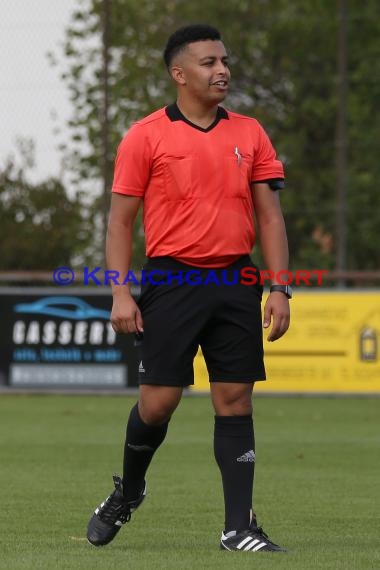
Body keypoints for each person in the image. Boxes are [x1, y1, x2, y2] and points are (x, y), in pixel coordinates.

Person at [87, 23, 291, 553]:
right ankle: (128, 491)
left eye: (224, 60)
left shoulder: (250, 133)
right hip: (171, 279)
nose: (221, 69)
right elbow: (118, 224)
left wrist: (279, 287)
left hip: (235, 278)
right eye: (207, 62)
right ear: (179, 74)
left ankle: (237, 528)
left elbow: (270, 218)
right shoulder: (145, 136)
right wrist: (120, 292)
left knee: (235, 400)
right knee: (158, 404)